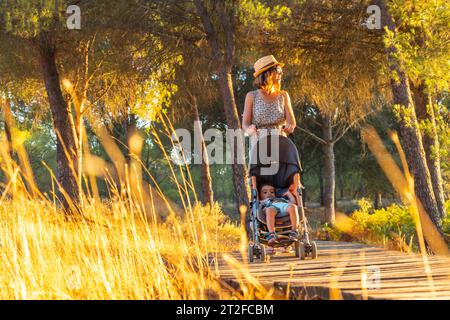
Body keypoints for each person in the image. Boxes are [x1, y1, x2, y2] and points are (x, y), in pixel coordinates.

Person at [242, 55, 296, 144]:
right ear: (268, 73)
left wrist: (289, 128)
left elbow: (292, 123)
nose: (281, 73)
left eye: (281, 71)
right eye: (278, 70)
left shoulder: (283, 95)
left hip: (281, 143)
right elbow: (245, 124)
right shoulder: (251, 96)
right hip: (259, 143)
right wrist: (249, 129)